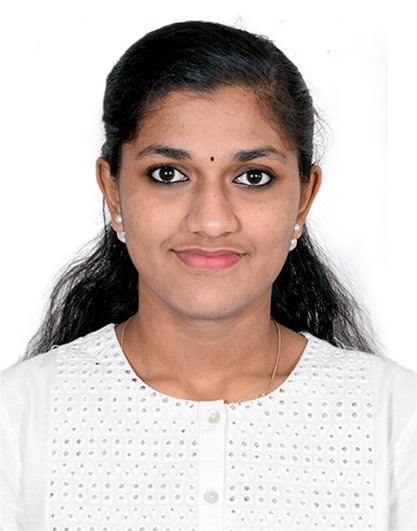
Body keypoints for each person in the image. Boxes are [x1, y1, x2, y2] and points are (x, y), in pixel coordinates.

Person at [0, 20, 415, 531]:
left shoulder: (395, 420)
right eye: (168, 174)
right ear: (113, 191)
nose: (212, 221)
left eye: (253, 177)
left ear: (304, 197)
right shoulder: (19, 420)